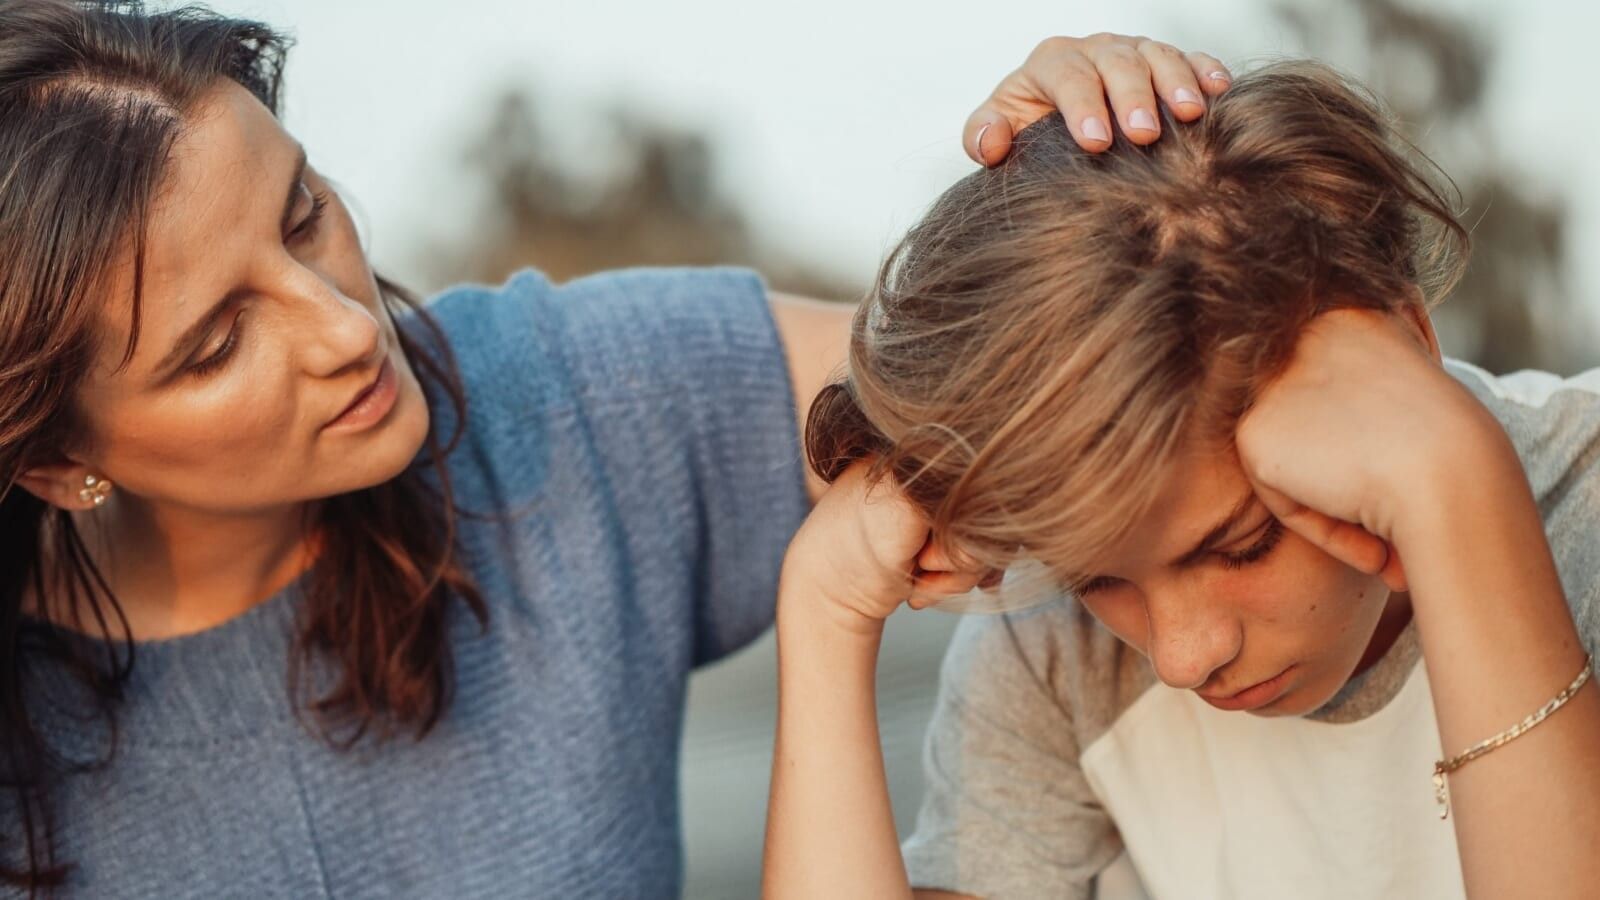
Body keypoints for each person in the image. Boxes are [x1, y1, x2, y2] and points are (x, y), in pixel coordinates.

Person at [0, 0, 1228, 895]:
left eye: (304, 215)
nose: (346, 329)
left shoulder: (569, 397)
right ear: (56, 461)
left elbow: (1039, 369)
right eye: (218, 343)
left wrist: (1102, 192)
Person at [762, 60, 1600, 899]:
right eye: (1095, 578)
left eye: (1243, 546)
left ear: (1406, 347)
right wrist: (824, 612)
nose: (1182, 656)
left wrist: (1456, 489)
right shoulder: (1055, 654)